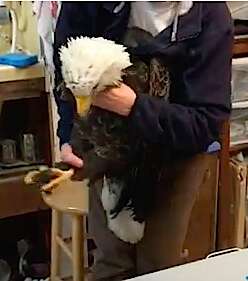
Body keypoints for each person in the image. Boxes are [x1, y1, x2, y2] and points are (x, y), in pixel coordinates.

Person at [53, 2, 233, 280]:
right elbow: (64, 70)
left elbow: (206, 123)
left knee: (159, 266)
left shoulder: (210, 14)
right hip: (108, 145)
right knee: (111, 263)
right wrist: (69, 135)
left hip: (177, 151)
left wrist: (133, 106)